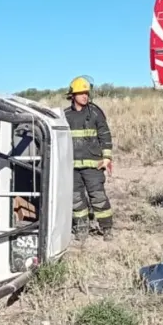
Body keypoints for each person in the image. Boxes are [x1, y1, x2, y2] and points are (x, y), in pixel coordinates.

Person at [64, 76, 114, 241]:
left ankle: (106, 228)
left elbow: (105, 136)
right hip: (72, 167)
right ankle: (81, 229)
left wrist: (106, 158)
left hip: (94, 165)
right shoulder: (64, 116)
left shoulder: (95, 113)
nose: (85, 96)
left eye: (86, 93)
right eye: (81, 93)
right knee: (76, 199)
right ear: (73, 95)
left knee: (98, 196)